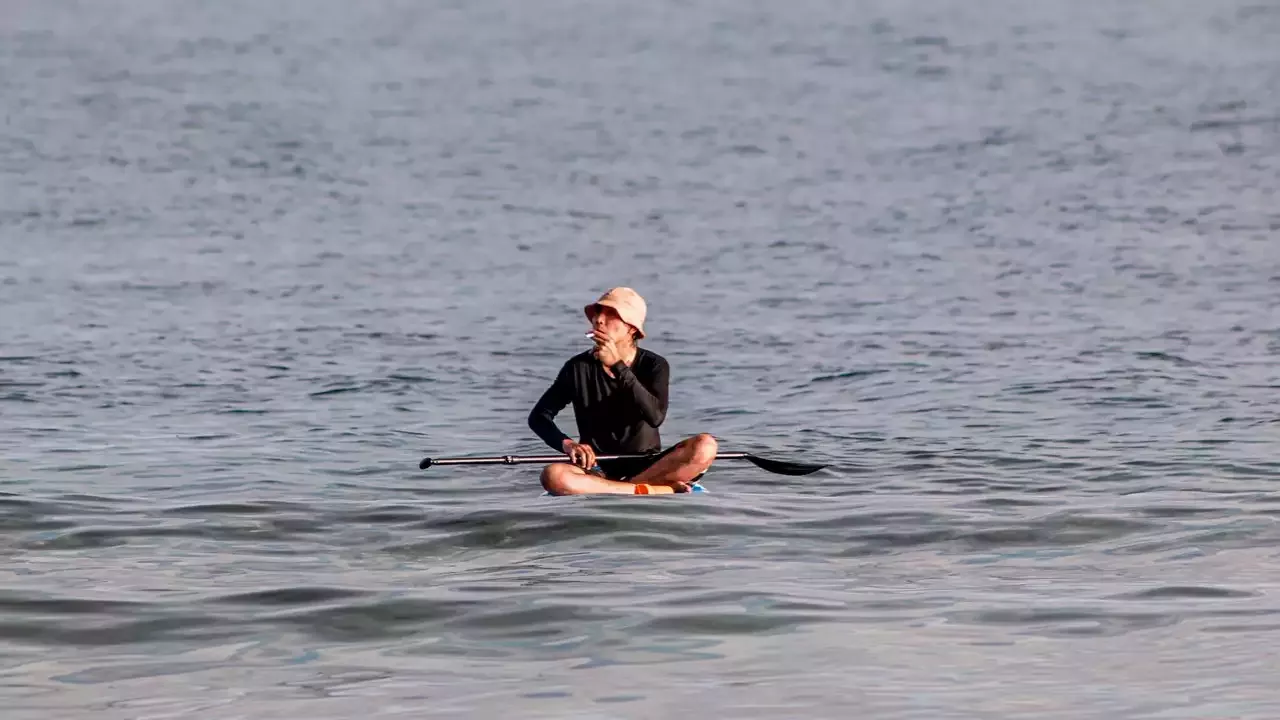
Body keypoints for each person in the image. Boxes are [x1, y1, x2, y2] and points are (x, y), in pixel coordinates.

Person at [528, 287, 718, 495]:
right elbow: (539, 417)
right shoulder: (578, 367)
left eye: (611, 314)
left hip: (648, 464)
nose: (599, 319)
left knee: (705, 446)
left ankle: (632, 486)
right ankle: (658, 490)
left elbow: (655, 416)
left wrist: (617, 366)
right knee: (553, 475)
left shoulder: (654, 365)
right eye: (597, 313)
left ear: (632, 329)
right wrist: (568, 445)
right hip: (596, 468)